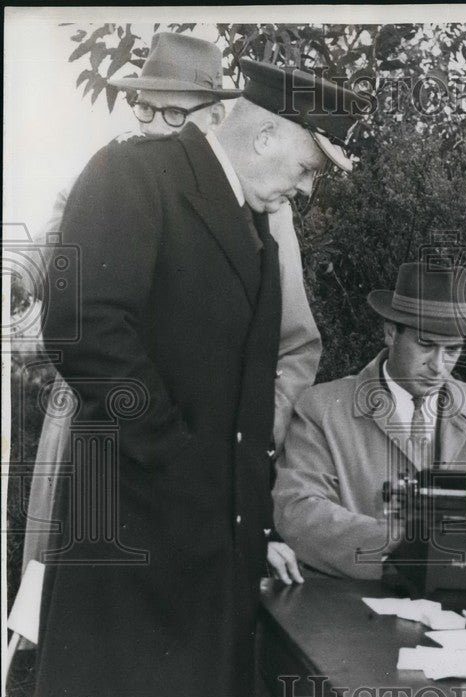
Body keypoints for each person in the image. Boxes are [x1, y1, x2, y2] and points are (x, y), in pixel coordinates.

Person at [32, 58, 367, 697]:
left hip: (213, 563)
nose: (306, 191)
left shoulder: (259, 230)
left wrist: (250, 523)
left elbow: (244, 398)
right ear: (267, 135)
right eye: (308, 168)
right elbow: (83, 328)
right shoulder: (133, 174)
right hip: (129, 550)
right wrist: (180, 460)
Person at [23, 32, 321, 586]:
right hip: (112, 431)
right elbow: (75, 313)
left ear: (214, 118)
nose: (155, 127)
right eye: (146, 108)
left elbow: (290, 346)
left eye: (175, 113)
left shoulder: (266, 211)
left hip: (200, 472)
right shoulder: (117, 174)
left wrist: (237, 461)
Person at [273, 262, 466, 581]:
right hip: (352, 605)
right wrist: (410, 550)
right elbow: (299, 512)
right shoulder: (322, 408)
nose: (438, 366)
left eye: (453, 350)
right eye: (426, 345)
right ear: (390, 332)